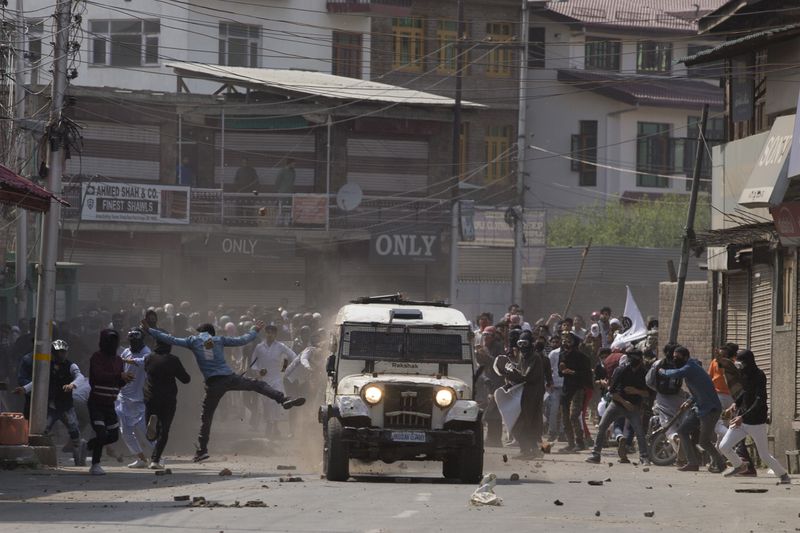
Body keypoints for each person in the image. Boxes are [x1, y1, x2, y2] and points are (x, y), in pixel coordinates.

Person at [141, 319, 305, 462]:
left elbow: (170, 339)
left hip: (213, 384)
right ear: (212, 333)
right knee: (258, 385)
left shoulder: (193, 340)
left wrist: (150, 330)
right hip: (230, 378)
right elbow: (242, 340)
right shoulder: (218, 339)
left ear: (201, 332)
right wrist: (254, 330)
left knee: (207, 417)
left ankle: (202, 450)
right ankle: (283, 399)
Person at [719, 349, 791, 483]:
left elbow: (759, 400)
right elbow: (745, 393)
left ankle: (783, 475)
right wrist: (735, 404)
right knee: (724, 446)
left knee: (764, 455)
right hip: (742, 419)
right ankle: (739, 466)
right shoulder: (743, 374)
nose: (739, 365)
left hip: (756, 421)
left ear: (748, 361)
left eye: (741, 362)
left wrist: (743, 417)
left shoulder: (759, 375)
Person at [659, 345, 725, 473]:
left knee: (704, 441)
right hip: (699, 408)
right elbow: (698, 392)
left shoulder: (690, 367)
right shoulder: (691, 368)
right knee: (682, 431)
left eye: (677, 357)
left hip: (710, 409)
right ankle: (692, 463)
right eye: (673, 357)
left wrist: (663, 371)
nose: (675, 360)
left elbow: (676, 373)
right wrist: (689, 401)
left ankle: (721, 464)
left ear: (685, 357)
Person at [586, 349, 651, 465]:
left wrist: (635, 391)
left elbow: (648, 393)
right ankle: (595, 454)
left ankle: (644, 457)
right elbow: (612, 392)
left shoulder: (644, 373)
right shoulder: (621, 370)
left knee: (639, 431)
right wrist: (625, 403)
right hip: (617, 404)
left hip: (634, 407)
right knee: (602, 427)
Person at [88, 329, 134, 475]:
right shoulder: (97, 357)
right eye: (109, 340)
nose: (111, 343)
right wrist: (118, 375)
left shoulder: (119, 360)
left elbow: (117, 383)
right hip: (96, 403)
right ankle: (95, 465)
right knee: (101, 434)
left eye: (114, 340)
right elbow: (99, 376)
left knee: (113, 436)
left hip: (110, 404)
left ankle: (89, 445)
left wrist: (124, 379)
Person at [496, 330, 545, 459]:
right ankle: (531, 449)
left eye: (525, 343)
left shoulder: (534, 357)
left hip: (532, 394)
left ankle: (528, 450)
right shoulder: (524, 356)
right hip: (525, 393)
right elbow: (521, 372)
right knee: (525, 421)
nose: (522, 346)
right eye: (520, 343)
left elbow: (525, 376)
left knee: (525, 421)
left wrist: (508, 372)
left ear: (530, 343)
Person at [144, 340, 191, 469]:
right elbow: (186, 379)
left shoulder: (148, 358)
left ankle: (152, 425)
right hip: (168, 398)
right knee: (165, 430)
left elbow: (146, 370)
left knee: (151, 435)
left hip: (151, 396)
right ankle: (155, 460)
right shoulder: (173, 360)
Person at [43, 339, 87, 466]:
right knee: (44, 430)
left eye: (63, 352)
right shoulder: (47, 366)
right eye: (57, 352)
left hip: (66, 406)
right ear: (52, 352)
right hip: (52, 405)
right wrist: (25, 389)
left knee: (74, 430)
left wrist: (72, 385)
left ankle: (79, 449)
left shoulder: (71, 366)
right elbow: (37, 381)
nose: (60, 355)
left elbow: (80, 377)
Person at [250, 324, 297, 439]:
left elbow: (293, 356)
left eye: (272, 332)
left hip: (276, 378)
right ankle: (268, 424)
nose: (270, 334)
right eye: (268, 332)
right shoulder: (259, 347)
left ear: (275, 334)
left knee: (276, 402)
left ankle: (275, 426)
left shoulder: (280, 346)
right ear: (265, 333)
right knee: (265, 403)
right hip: (264, 379)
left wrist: (285, 367)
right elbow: (253, 363)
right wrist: (258, 371)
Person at [116, 328, 152, 468]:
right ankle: (141, 459)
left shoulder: (146, 352)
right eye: (131, 341)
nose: (133, 344)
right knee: (125, 432)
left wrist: (124, 360)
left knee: (146, 431)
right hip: (124, 398)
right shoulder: (126, 351)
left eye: (136, 341)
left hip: (140, 400)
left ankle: (157, 457)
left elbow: (142, 361)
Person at [645, 343, 687, 459]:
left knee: (667, 425)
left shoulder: (658, 364)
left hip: (663, 398)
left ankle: (675, 438)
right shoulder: (681, 363)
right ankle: (683, 450)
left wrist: (658, 389)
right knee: (681, 421)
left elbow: (648, 381)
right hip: (679, 396)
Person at [558, 332, 591, 452]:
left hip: (578, 389)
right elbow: (560, 372)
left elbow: (587, 374)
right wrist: (563, 370)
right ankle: (570, 443)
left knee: (573, 416)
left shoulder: (581, 357)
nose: (566, 342)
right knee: (565, 417)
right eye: (564, 340)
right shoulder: (562, 355)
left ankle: (580, 442)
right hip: (566, 389)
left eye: (569, 340)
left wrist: (572, 372)